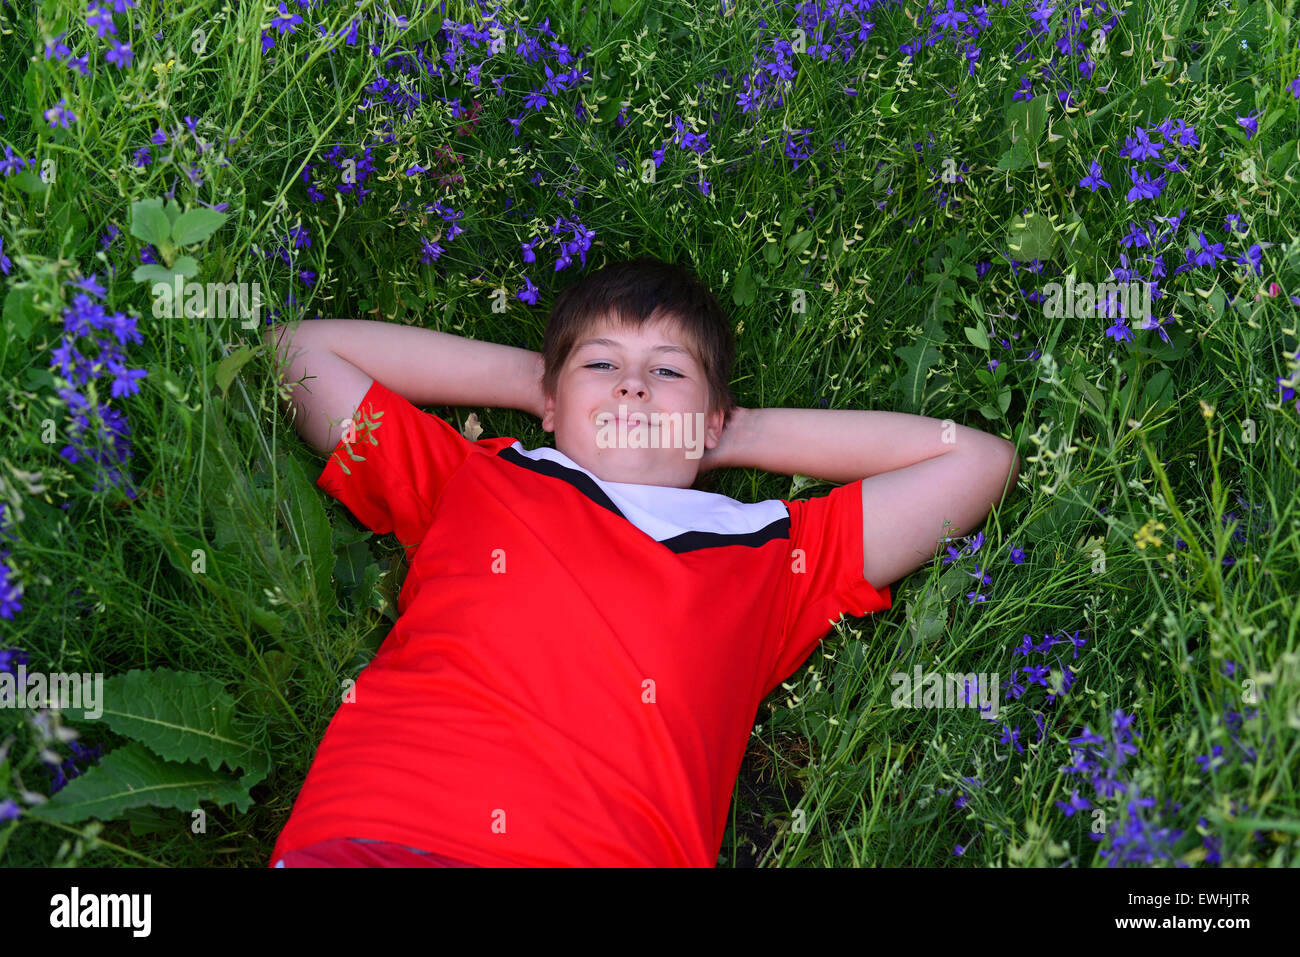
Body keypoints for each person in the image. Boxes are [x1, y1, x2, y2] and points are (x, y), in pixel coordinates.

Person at [262, 256, 1019, 867]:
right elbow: (300, 352)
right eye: (602, 364)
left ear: (714, 415)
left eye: (668, 371)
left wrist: (737, 431)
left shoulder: (772, 552)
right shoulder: (475, 476)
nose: (632, 383)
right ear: (550, 403)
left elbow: (974, 461)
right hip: (380, 830)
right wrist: (539, 383)